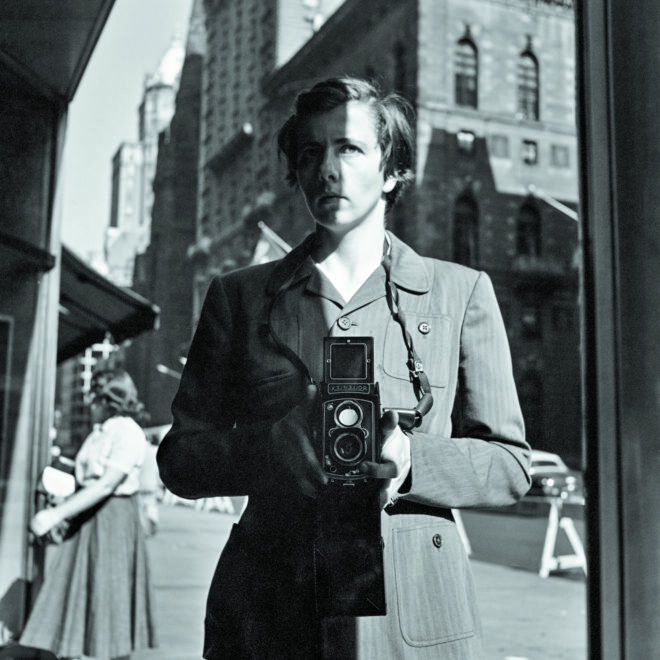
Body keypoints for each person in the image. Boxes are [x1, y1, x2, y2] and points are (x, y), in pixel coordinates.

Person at [157, 76, 531, 659]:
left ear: (391, 171)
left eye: (349, 148)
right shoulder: (239, 297)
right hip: (272, 608)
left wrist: (412, 460)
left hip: (414, 615)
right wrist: (270, 449)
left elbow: (510, 464)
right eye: (311, 153)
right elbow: (180, 459)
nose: (327, 169)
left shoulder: (459, 294)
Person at [20, 369, 158, 660]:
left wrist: (55, 515)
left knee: (109, 602)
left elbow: (106, 484)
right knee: (82, 600)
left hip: (112, 521)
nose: (90, 404)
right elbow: (86, 479)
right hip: (89, 519)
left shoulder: (128, 431)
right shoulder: (102, 430)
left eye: (94, 398)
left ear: (109, 400)